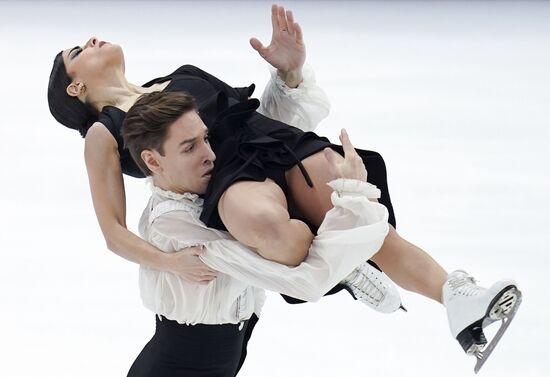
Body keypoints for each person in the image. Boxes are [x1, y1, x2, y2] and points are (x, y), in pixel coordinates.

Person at [47, 4, 520, 372]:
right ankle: (341, 268)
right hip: (227, 180)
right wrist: (170, 261)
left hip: (274, 144)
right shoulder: (104, 132)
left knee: (350, 198)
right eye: (77, 52)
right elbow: (112, 231)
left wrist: (289, 73)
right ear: (75, 88)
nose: (90, 40)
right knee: (267, 224)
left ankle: (458, 298)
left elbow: (263, 118)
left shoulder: (178, 75)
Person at [123, 90, 391, 376]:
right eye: (189, 148)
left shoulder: (201, 188)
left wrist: (287, 79)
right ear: (153, 161)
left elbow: (263, 130)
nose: (210, 155)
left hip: (220, 357)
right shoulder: (173, 222)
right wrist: (353, 195)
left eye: (206, 139)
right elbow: (300, 281)